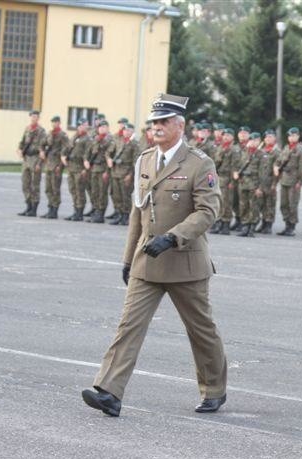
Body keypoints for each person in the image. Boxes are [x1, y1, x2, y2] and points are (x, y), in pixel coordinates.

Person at [81, 93, 228, 416]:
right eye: (153, 123)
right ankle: (109, 391)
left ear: (180, 125)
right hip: (147, 260)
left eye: (163, 122)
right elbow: (138, 212)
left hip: (185, 261)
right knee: (128, 326)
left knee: (201, 330)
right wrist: (126, 257)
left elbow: (207, 212)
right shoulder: (145, 159)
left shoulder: (199, 163)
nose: (157, 128)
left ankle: (214, 388)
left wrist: (172, 238)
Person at [274, 127, 302, 236]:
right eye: (289, 136)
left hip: (294, 181)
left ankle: (291, 226)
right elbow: (279, 161)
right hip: (284, 180)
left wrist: (300, 182)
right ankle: (286, 224)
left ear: (298, 136)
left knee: (292, 204)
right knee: (283, 204)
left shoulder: (301, 150)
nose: (291, 137)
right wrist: (276, 166)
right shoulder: (286, 148)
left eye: (293, 135)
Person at [210, 128, 241, 234]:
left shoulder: (234, 149)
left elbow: (234, 167)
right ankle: (219, 222)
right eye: (224, 135)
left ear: (233, 137)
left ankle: (226, 224)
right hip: (219, 177)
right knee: (219, 201)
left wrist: (232, 182)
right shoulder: (220, 148)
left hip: (228, 178)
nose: (226, 137)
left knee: (227, 202)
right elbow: (215, 163)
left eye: (228, 135)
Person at [16, 110, 47, 216]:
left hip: (35, 158)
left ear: (38, 118)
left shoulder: (41, 131)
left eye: (36, 116)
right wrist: (20, 150)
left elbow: (43, 148)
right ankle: (28, 206)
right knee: (25, 184)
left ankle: (34, 209)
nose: (34, 118)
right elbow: (22, 142)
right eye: (32, 116)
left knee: (35, 185)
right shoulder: (27, 129)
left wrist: (39, 163)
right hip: (26, 159)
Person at [83, 119, 115, 223]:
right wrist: (86, 160)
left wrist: (107, 171)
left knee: (102, 192)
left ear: (107, 128)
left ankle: (101, 213)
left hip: (103, 169)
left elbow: (109, 156)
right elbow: (88, 152)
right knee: (94, 191)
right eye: (100, 127)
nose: (102, 129)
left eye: (104, 127)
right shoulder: (95, 139)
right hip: (94, 169)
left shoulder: (110, 140)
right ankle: (96, 211)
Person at [108, 123, 139, 225]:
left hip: (126, 173)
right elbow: (109, 152)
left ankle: (126, 216)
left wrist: (130, 175)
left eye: (129, 130)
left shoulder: (134, 144)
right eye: (125, 130)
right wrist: (109, 159)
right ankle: (119, 214)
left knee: (126, 196)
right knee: (117, 195)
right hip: (116, 172)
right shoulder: (119, 141)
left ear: (132, 132)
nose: (126, 132)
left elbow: (135, 162)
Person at [62, 118, 92, 221]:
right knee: (72, 189)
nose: (82, 127)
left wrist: (85, 169)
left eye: (84, 125)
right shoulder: (75, 136)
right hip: (71, 166)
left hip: (80, 167)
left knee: (80, 190)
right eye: (81, 125)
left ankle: (79, 212)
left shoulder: (87, 139)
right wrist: (63, 155)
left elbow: (88, 154)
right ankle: (75, 210)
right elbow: (68, 147)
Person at [233, 132, 262, 237]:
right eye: (251, 140)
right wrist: (235, 172)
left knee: (253, 206)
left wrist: (260, 187)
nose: (253, 142)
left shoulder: (261, 154)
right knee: (243, 205)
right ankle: (245, 226)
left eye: (256, 140)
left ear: (259, 141)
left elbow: (263, 173)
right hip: (243, 182)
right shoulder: (244, 152)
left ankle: (252, 227)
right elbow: (237, 164)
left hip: (254, 183)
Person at [41, 116, 70, 219]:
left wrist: (60, 165)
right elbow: (42, 143)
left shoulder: (63, 135)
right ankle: (50, 208)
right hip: (48, 164)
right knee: (48, 188)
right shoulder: (49, 133)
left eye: (56, 122)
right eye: (52, 122)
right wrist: (42, 151)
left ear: (59, 123)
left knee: (55, 188)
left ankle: (55, 210)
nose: (54, 124)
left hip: (57, 164)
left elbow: (67, 148)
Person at [256, 129, 280, 234]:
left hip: (271, 182)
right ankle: (264, 223)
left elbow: (278, 169)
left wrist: (275, 184)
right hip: (261, 182)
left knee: (270, 204)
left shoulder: (277, 152)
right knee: (262, 203)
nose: (268, 139)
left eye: (270, 137)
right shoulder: (261, 151)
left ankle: (269, 224)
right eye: (266, 137)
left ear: (274, 138)